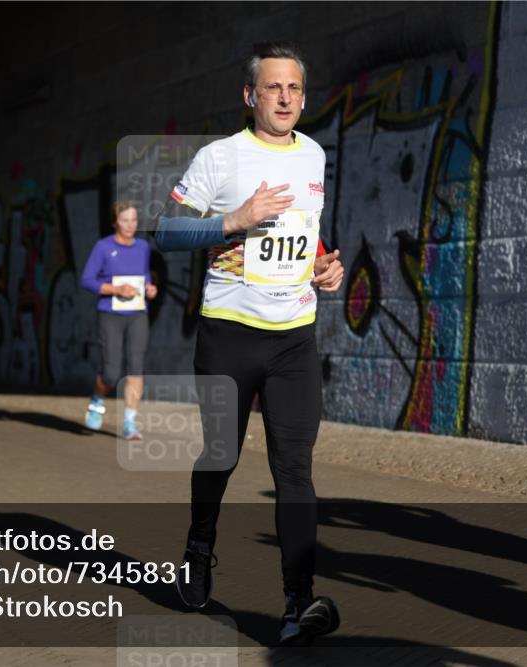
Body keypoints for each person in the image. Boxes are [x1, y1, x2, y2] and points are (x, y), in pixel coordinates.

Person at [154, 43, 345, 644]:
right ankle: (199, 544)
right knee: (220, 455)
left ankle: (297, 603)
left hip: (294, 339)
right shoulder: (219, 157)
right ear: (250, 95)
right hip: (228, 335)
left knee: (295, 468)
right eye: (273, 88)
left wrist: (323, 267)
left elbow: (304, 232)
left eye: (294, 88)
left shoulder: (314, 155)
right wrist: (232, 221)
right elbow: (166, 230)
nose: (285, 98)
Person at [80, 202, 157, 440]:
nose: (130, 225)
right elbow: (87, 280)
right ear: (115, 222)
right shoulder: (103, 247)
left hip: (137, 314)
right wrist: (116, 289)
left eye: (134, 220)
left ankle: (130, 423)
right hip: (110, 314)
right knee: (111, 373)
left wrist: (150, 287)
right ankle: (97, 400)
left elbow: (144, 274)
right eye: (125, 221)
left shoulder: (143, 247)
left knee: (136, 367)